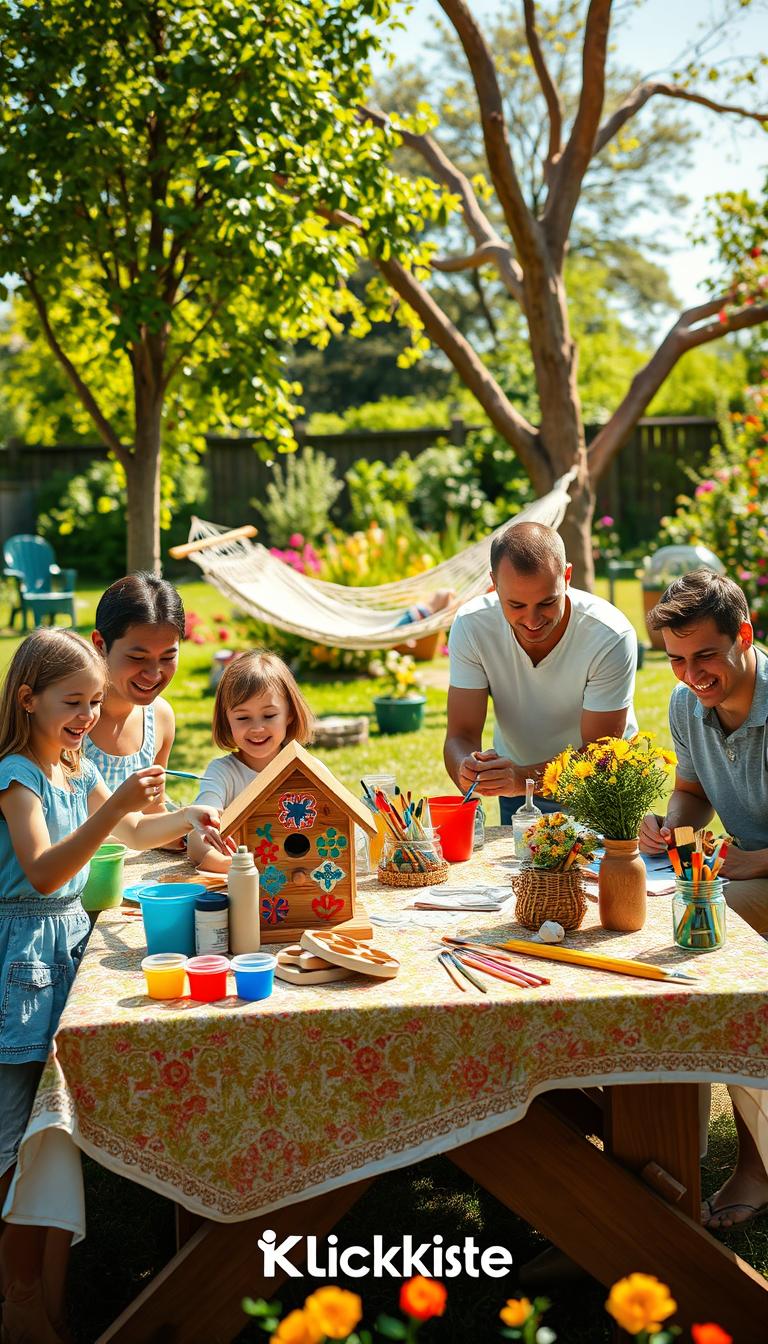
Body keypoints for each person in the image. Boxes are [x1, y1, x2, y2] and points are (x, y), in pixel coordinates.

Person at [0, 628, 228, 1344]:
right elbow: (43, 871)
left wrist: (189, 817)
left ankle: (43, 1303)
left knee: (52, 1135)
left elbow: (131, 832)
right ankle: (20, 1304)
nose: (89, 718)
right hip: (21, 967)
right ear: (28, 698)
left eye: (97, 702)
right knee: (16, 1150)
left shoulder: (71, 762)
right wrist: (112, 809)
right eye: (75, 703)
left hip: (63, 953)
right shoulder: (16, 774)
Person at [640, 569, 768, 1231]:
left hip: (754, 878)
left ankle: (755, 1162)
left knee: (712, 927)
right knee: (662, 918)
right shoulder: (687, 704)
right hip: (746, 875)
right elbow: (691, 791)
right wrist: (671, 824)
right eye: (679, 661)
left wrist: (755, 860)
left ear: (743, 635)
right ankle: (664, 1152)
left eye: (707, 656)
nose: (693, 675)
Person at [444, 521, 638, 821]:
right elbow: (460, 734)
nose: (532, 620)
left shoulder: (609, 634)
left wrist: (520, 779)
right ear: (494, 583)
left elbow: (600, 754)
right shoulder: (472, 626)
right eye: (516, 605)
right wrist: (467, 769)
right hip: (517, 794)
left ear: (567, 577)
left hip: (602, 788)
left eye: (547, 602)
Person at [188, 651, 314, 873]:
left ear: (290, 715)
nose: (257, 728)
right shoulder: (222, 773)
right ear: (227, 721)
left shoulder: (306, 769)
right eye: (243, 718)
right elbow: (198, 836)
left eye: (269, 716)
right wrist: (232, 866)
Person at [84, 572, 184, 798]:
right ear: (101, 644)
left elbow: (152, 810)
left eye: (168, 657)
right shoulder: (71, 719)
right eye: (138, 658)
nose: (152, 674)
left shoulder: (160, 717)